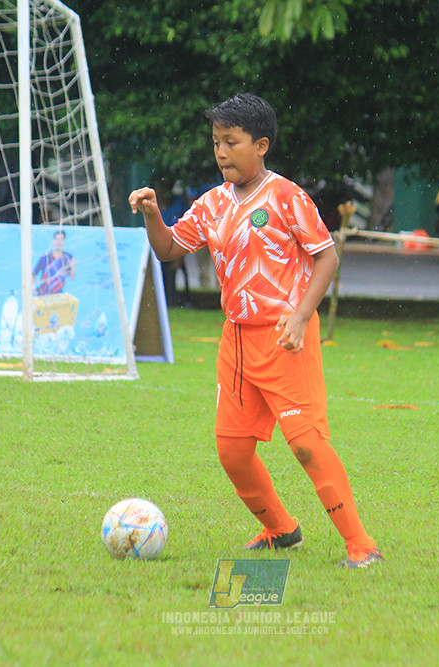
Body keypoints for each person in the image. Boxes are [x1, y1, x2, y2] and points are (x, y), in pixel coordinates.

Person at [128, 93, 383, 568]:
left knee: (307, 444)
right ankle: (281, 530)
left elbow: (326, 256)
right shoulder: (212, 203)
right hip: (238, 343)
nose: (221, 152)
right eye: (216, 143)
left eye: (232, 142)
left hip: (286, 339)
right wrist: (151, 214)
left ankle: (362, 546)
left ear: (260, 145)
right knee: (233, 452)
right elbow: (168, 249)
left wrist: (302, 315)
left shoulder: (288, 197)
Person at [32, 229, 75, 295]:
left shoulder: (68, 257)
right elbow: (33, 274)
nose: (58, 242)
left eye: (61, 239)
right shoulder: (44, 258)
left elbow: (72, 277)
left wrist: (72, 266)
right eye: (56, 239)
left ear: (64, 241)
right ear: (53, 241)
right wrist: (32, 288)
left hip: (59, 295)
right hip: (44, 295)